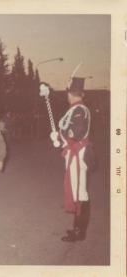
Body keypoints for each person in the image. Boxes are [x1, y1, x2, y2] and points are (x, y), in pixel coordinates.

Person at [57, 77, 92, 242]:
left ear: (72, 94)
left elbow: (75, 134)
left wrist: (60, 136)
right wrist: (58, 137)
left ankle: (79, 232)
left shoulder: (79, 110)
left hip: (78, 155)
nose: (68, 96)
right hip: (74, 154)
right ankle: (77, 228)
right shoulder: (75, 109)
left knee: (80, 193)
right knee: (78, 191)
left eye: (69, 93)